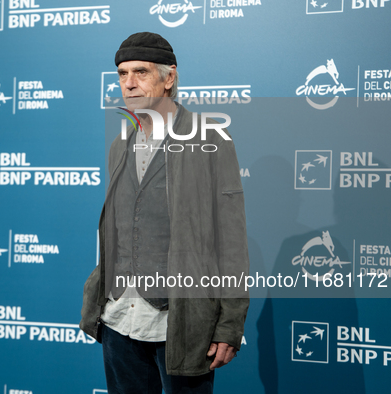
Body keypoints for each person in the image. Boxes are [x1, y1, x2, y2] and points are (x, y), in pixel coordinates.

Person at [80, 32, 249, 394]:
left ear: (169, 77)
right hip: (119, 320)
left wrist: (230, 324)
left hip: (181, 324)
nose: (129, 84)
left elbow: (231, 239)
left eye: (140, 72)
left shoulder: (211, 139)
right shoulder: (120, 144)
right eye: (122, 74)